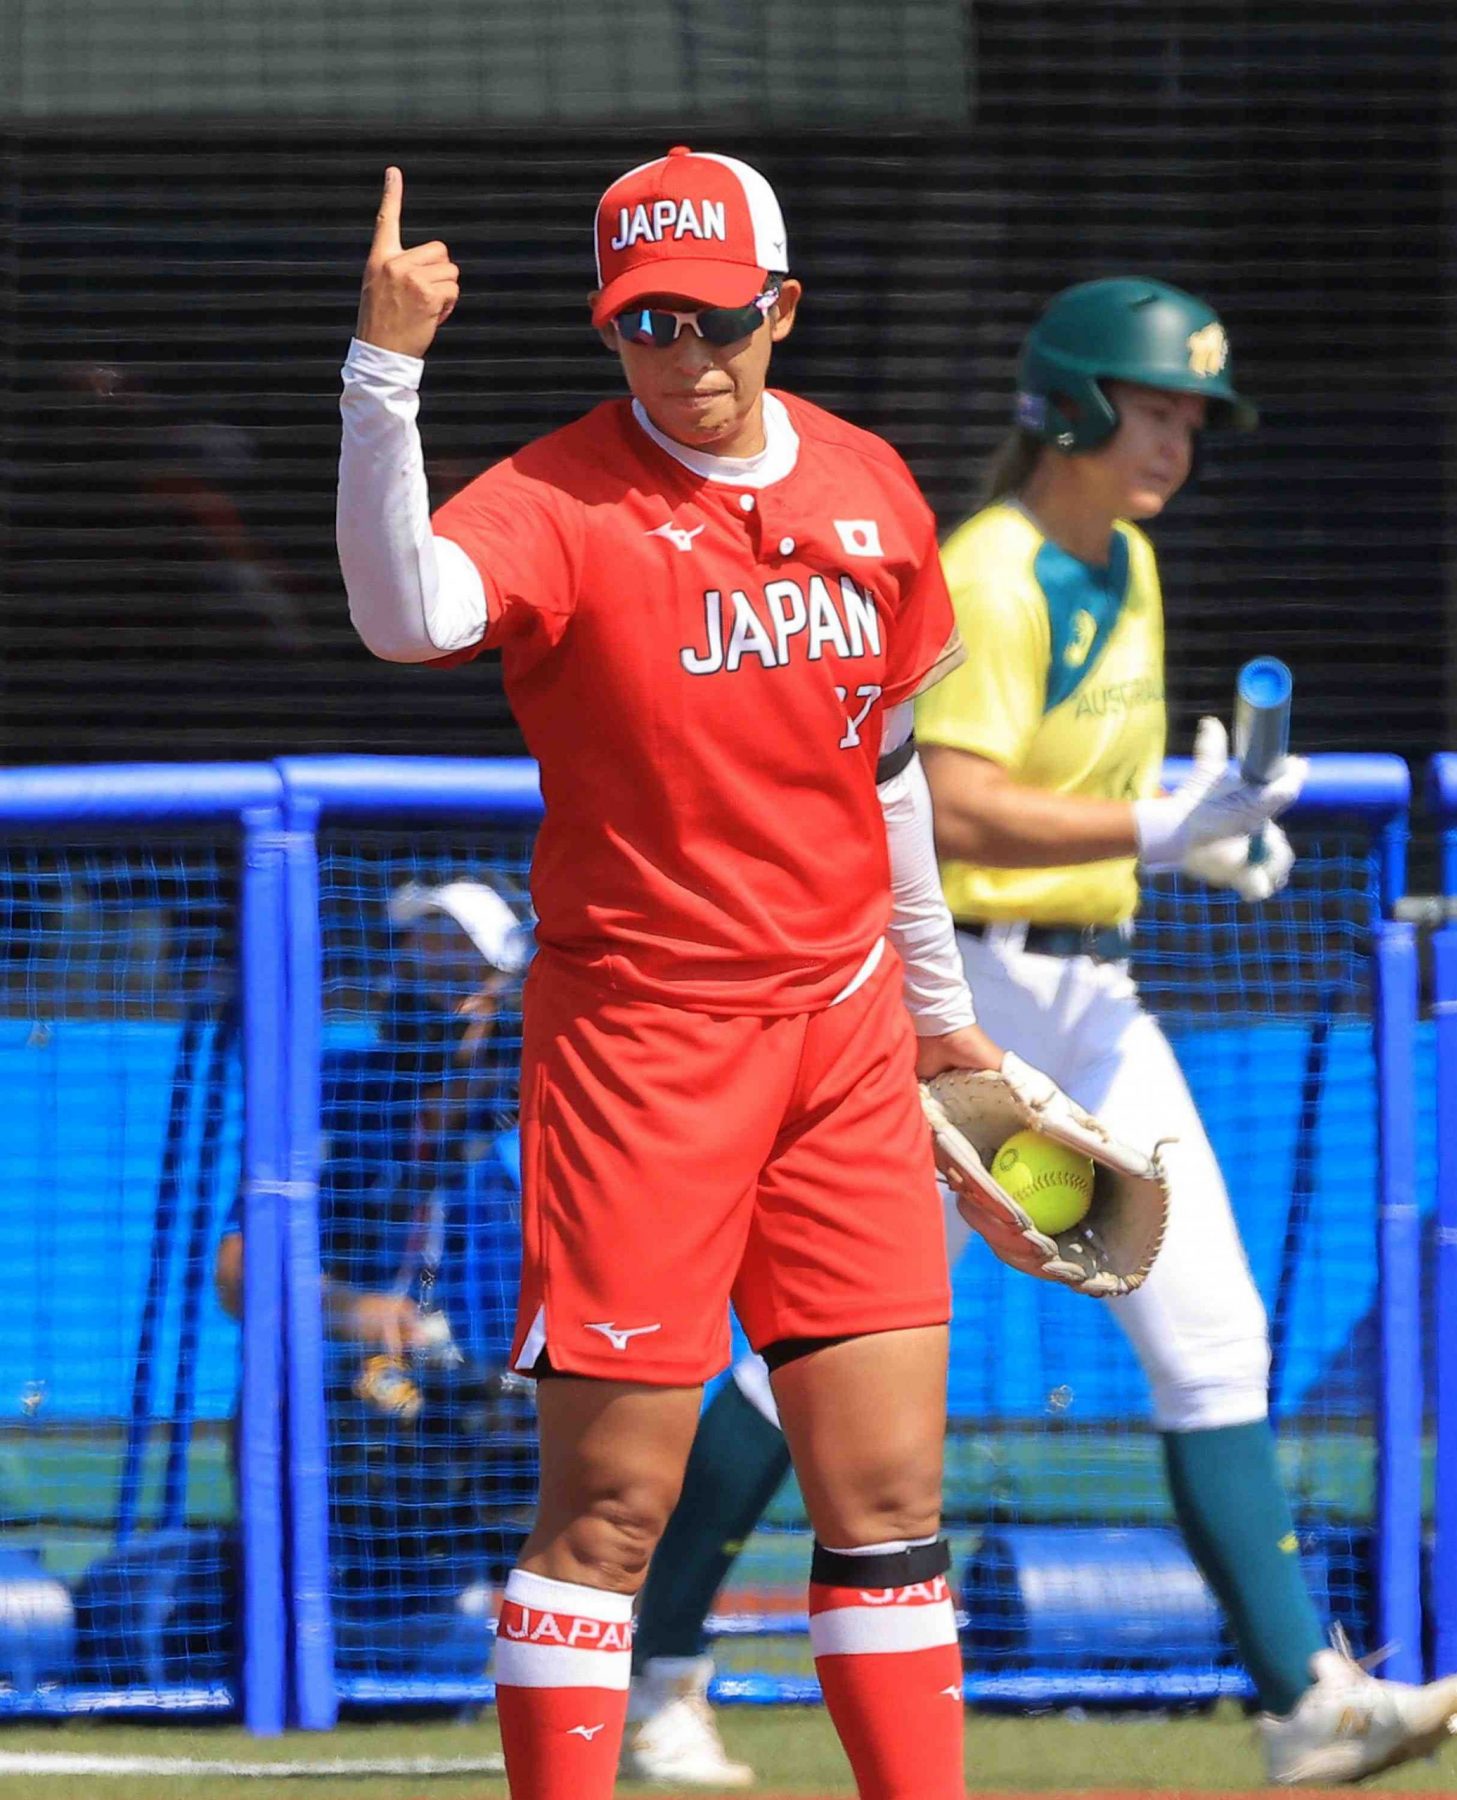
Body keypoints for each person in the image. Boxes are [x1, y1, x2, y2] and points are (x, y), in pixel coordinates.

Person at [621, 278, 1457, 1789]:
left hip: (1091, 1003)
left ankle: (1306, 1704)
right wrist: (1157, 828)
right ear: (1076, 407)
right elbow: (945, 799)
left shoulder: (1128, 563)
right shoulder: (993, 569)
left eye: (1190, 417)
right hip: (961, 1007)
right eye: (1155, 408)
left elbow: (1097, 795)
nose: (1178, 442)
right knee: (813, 1363)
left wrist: (1206, 836)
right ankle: (657, 1673)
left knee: (1211, 1334)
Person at [335, 145, 1028, 1800]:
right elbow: (401, 610)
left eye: (715, 319)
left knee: (882, 1500)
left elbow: (892, 781)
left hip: (847, 1036)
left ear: (780, 309)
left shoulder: (871, 490)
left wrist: (942, 1027)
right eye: (644, 323)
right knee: (610, 1508)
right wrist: (383, 374)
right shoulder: (564, 497)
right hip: (644, 1043)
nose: (682, 357)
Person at [215, 878, 538, 1660]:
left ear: (501, 985)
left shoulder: (540, 1101)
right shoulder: (334, 1091)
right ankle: (328, 1626)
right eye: (421, 956)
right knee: (342, 1420)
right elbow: (237, 1272)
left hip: (500, 1404)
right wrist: (348, 1311)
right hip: (353, 1402)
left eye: (461, 965)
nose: (437, 979)